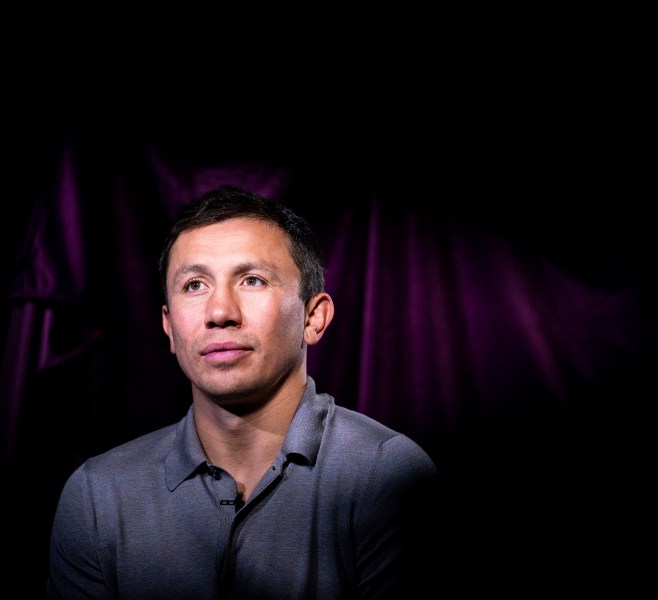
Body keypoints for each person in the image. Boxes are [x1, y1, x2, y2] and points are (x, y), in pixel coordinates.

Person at [46, 184, 440, 599]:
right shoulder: (97, 495)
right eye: (195, 285)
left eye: (252, 280)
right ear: (169, 328)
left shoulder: (389, 477)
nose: (219, 313)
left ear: (314, 316)